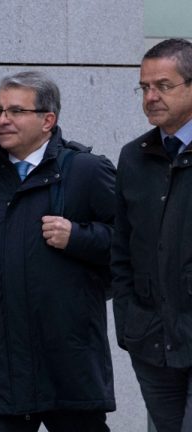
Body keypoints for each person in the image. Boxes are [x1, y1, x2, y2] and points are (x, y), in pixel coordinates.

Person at [0, 71, 116, 431]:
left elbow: (130, 245)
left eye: (15, 110)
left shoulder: (87, 171)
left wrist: (78, 236)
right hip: (1, 370)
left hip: (70, 365)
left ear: (48, 120)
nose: (2, 120)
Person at [112, 38, 192, 432]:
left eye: (163, 85)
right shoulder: (133, 156)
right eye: (144, 87)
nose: (150, 96)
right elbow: (121, 250)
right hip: (152, 340)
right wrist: (128, 322)